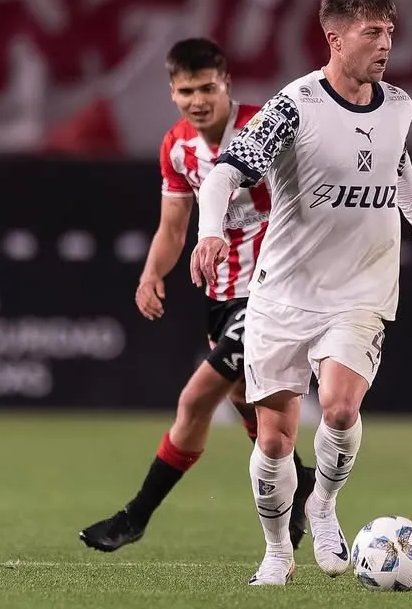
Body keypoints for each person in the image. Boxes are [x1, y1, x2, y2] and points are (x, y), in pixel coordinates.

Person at [189, 0, 412, 587]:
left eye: (389, 30)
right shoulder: (294, 107)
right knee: (276, 442)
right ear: (335, 39)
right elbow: (227, 171)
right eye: (371, 32)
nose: (386, 42)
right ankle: (278, 551)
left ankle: (325, 504)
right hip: (283, 293)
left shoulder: (399, 105)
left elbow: (398, 162)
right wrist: (209, 230)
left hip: (360, 290)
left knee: (337, 408)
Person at [79, 38, 316, 554]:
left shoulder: (264, 128)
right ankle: (305, 489)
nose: (198, 100)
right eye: (187, 91)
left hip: (276, 289)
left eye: (208, 87)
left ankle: (135, 516)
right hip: (223, 295)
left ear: (226, 82)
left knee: (195, 397)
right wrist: (150, 274)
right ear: (172, 91)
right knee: (249, 404)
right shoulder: (177, 146)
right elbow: (172, 227)